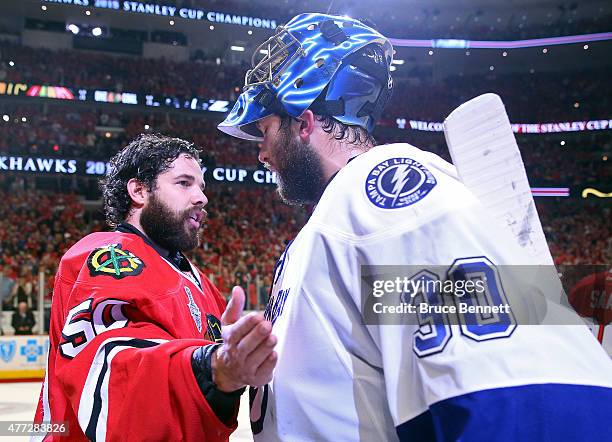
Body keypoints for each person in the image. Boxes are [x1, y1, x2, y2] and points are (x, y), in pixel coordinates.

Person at [218, 13, 612, 441]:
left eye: (266, 130)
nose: (261, 152)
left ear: (306, 122)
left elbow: (515, 394)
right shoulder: (334, 222)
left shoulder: (381, 196)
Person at [33, 134, 277, 441]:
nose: (201, 197)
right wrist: (210, 367)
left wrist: (230, 372)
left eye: (201, 186)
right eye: (184, 183)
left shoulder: (202, 284)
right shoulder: (109, 258)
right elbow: (112, 371)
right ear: (138, 190)